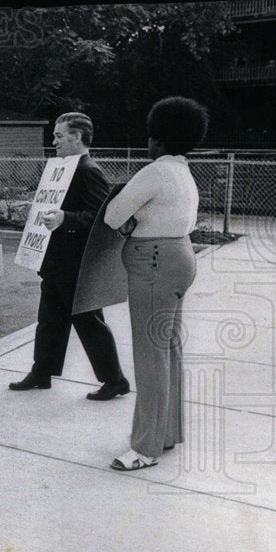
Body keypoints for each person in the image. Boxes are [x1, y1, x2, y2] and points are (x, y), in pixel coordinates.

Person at [102, 97, 208, 471]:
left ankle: (145, 447)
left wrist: (133, 218)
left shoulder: (154, 171)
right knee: (168, 350)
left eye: (150, 136)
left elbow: (113, 216)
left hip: (154, 264)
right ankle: (165, 433)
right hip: (181, 257)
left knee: (150, 355)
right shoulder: (185, 173)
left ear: (159, 139)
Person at [9, 113, 130, 400]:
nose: (54, 141)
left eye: (59, 135)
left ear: (77, 136)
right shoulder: (64, 169)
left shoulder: (88, 170)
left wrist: (67, 218)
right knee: (49, 319)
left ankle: (115, 380)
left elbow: (102, 219)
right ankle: (42, 372)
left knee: (88, 321)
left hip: (76, 264)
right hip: (56, 261)